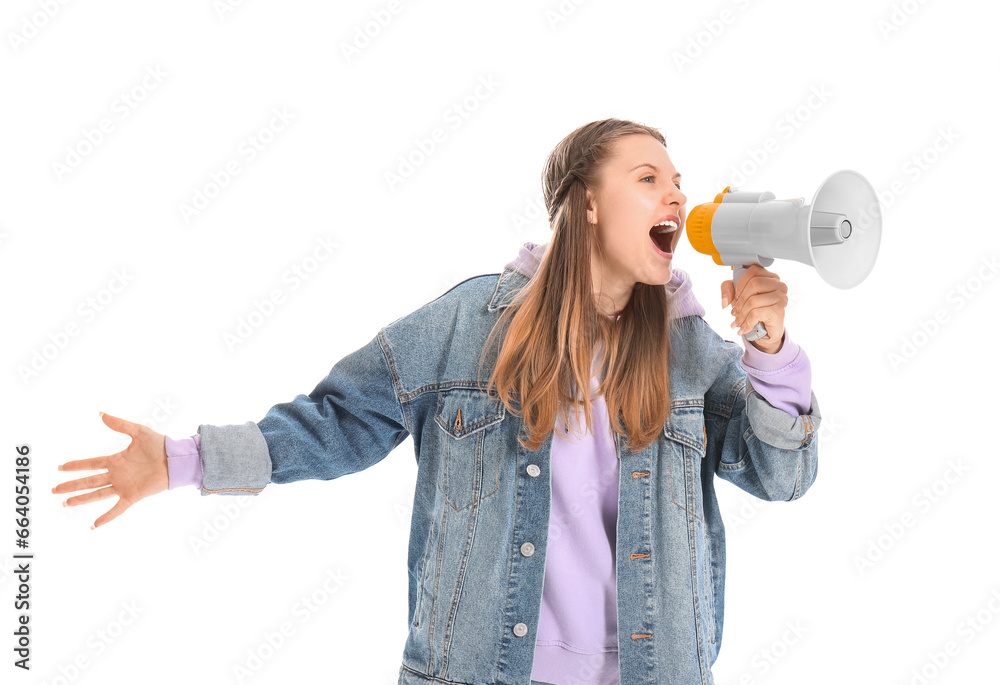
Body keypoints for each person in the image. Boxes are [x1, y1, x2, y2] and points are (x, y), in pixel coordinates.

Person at [53, 118, 821, 685]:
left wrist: (769, 348)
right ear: (586, 204)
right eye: (649, 176)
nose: (677, 193)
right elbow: (337, 421)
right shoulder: (465, 327)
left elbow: (781, 477)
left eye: (678, 180)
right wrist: (182, 460)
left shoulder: (690, 351)